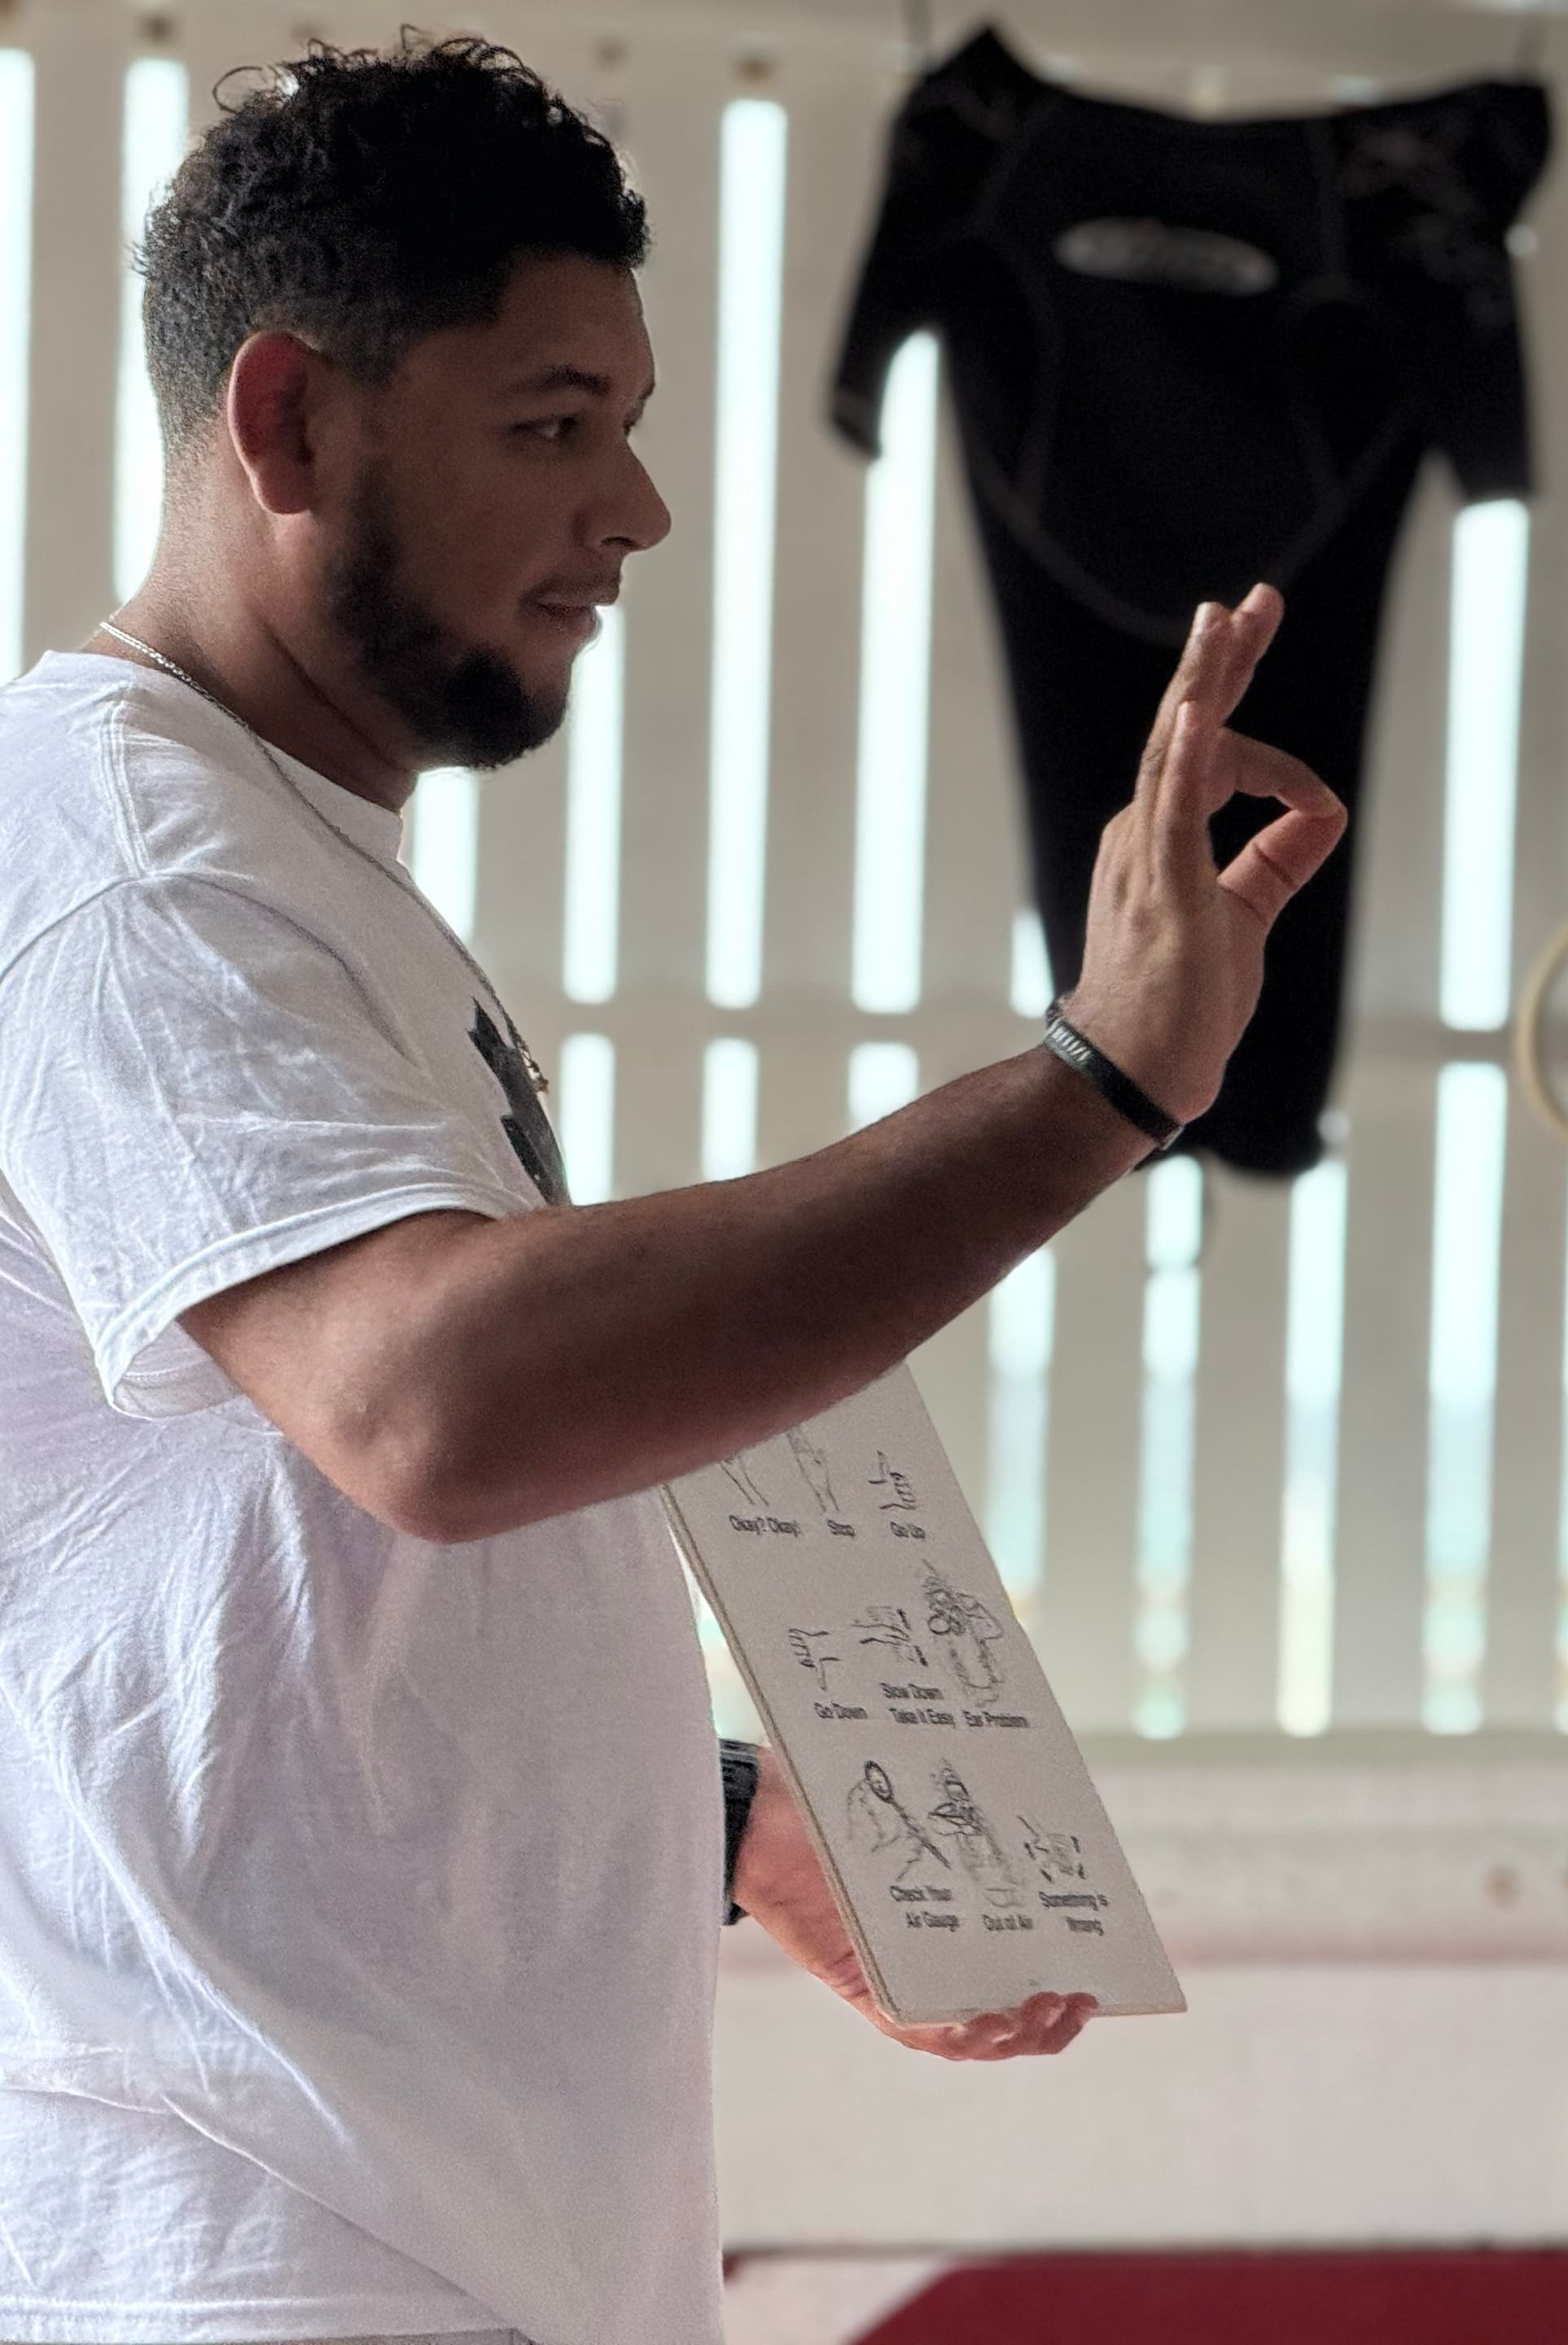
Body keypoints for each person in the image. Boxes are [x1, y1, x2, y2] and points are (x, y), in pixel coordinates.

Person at [0, 37, 1342, 2345]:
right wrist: (1092, 1088)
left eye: (626, 424)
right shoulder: (125, 862)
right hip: (257, 2239)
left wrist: (713, 1809)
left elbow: (256, 1562)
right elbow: (433, 1406)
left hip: (439, 2230)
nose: (635, 509)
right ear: (290, 420)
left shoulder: (285, 868)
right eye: (553, 424)